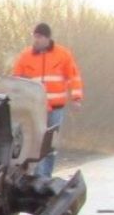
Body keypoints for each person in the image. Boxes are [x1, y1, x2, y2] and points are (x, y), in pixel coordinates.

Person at [10, 21, 84, 178]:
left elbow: (73, 77)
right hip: (33, 110)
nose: (36, 40)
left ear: (47, 38)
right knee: (34, 144)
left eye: (39, 37)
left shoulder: (63, 54)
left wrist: (76, 98)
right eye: (34, 36)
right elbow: (16, 80)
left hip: (56, 109)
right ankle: (35, 176)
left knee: (50, 146)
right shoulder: (25, 56)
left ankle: (45, 177)